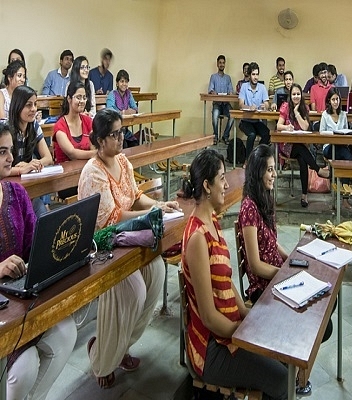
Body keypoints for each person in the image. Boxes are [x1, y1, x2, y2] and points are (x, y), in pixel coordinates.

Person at [78, 108, 179, 389]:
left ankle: (120, 347)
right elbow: (111, 218)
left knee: (158, 272)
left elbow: (135, 197)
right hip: (104, 246)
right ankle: (101, 357)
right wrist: (149, 216)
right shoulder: (92, 172)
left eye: (121, 132)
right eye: (114, 134)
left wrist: (159, 205)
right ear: (99, 140)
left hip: (129, 238)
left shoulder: (122, 161)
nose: (121, 138)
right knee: (133, 291)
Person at [180, 147, 287, 400]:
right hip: (212, 348)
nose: (227, 185)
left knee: (283, 358)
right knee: (282, 380)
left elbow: (226, 283)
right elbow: (208, 317)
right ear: (207, 185)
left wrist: (248, 315)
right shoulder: (197, 237)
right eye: (222, 178)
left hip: (229, 331)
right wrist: (242, 330)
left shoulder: (213, 222)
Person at [238, 144, 331, 395]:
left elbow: (272, 241)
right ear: (258, 173)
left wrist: (291, 258)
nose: (274, 174)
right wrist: (285, 273)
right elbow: (255, 265)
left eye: (273, 169)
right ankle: (293, 375)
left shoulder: (265, 199)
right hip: (263, 287)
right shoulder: (248, 209)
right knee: (314, 317)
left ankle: (298, 374)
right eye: (269, 170)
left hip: (278, 277)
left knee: (326, 311)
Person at [0, 121, 77, 400]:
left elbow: (35, 242)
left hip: (21, 294)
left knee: (67, 332)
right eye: (2, 152)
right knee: (27, 365)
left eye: (10, 150)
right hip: (3, 305)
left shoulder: (16, 193)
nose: (11, 158)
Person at [276, 84, 329, 207]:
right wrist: (286, 127)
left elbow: (305, 127)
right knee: (300, 149)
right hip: (287, 145)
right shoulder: (285, 106)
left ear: (301, 95)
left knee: (302, 159)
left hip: (299, 145)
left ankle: (304, 195)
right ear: (290, 95)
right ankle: (318, 169)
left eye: (298, 94)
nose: (296, 96)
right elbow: (278, 126)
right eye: (293, 94)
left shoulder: (304, 108)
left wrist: (297, 112)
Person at [7, 85, 53, 217]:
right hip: (8, 188)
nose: (33, 109)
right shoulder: (6, 130)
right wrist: (21, 169)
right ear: (18, 106)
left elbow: (48, 158)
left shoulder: (34, 126)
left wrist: (33, 164)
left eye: (35, 104)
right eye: (28, 105)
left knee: (42, 216)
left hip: (27, 185)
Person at [320, 87, 352, 209]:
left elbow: (346, 131)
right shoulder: (325, 115)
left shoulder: (343, 114)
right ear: (329, 101)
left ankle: (345, 198)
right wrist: (334, 134)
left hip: (341, 146)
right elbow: (322, 133)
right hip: (328, 147)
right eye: (333, 99)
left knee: (346, 159)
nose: (335, 102)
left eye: (337, 99)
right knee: (347, 157)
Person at [238, 62, 270, 161]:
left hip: (256, 121)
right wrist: (249, 107)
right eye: (253, 74)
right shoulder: (244, 86)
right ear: (249, 75)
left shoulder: (262, 87)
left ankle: (256, 155)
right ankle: (248, 161)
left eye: (257, 74)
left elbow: (267, 103)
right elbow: (240, 104)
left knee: (267, 134)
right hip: (245, 121)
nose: (255, 77)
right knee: (251, 135)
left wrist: (265, 105)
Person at [208, 55, 234, 145]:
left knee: (233, 115)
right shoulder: (213, 77)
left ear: (225, 64)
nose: (222, 64)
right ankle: (215, 136)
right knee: (215, 116)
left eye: (223, 63)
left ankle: (225, 136)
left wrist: (231, 93)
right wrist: (212, 92)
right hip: (217, 104)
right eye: (220, 63)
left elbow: (231, 91)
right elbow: (210, 90)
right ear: (217, 64)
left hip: (226, 104)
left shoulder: (228, 78)